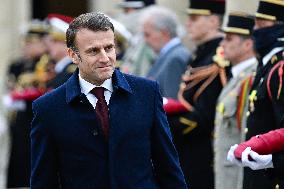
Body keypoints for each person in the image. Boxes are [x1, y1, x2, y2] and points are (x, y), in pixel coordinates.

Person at [30, 12, 188, 189]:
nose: (105, 58)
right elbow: (43, 181)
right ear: (73, 55)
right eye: (93, 51)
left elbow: (168, 167)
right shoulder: (48, 108)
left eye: (109, 48)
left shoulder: (147, 93)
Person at [166, 0, 229, 188]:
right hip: (188, 151)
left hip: (203, 154)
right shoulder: (201, 55)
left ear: (213, 22)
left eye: (194, 18)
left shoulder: (219, 60)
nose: (188, 24)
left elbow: (204, 116)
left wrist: (164, 126)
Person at [227, 0, 284, 188]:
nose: (256, 30)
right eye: (256, 23)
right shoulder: (266, 67)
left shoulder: (278, 70)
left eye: (262, 24)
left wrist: (272, 160)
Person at [214, 12, 257, 189]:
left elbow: (245, 136)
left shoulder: (250, 79)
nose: (222, 44)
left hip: (236, 178)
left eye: (229, 39)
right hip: (225, 174)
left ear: (247, 44)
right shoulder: (236, 77)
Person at [143, 5, 191, 99]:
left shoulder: (176, 58)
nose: (145, 40)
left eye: (148, 35)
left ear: (164, 33)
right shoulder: (168, 55)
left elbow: (171, 101)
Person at [45, 13, 77, 89]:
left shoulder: (72, 71)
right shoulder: (59, 68)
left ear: (66, 43)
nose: (49, 45)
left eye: (54, 41)